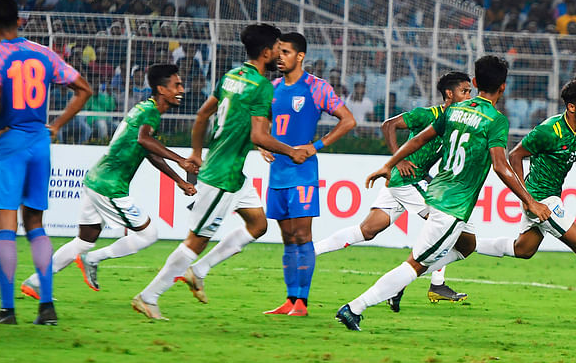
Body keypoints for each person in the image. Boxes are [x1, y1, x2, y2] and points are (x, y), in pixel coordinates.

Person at [336, 55, 551, 331]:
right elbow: (500, 165)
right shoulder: (495, 120)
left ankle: (403, 280)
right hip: (451, 206)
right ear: (503, 88)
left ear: (474, 82)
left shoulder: (454, 111)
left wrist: (388, 164)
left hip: (436, 191)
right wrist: (530, 201)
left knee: (468, 244)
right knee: (415, 265)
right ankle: (355, 307)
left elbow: (418, 139)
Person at [132, 24, 311, 320]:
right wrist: (292, 151)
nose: (281, 53)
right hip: (222, 175)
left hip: (231, 172)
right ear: (266, 52)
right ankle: (148, 296)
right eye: (278, 48)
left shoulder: (232, 76)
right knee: (196, 241)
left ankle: (199, 271)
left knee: (258, 225)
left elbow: (203, 114)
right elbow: (258, 136)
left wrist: (197, 152)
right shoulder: (262, 87)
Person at [19, 64, 198, 300]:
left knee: (84, 240)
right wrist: (181, 160)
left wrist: (178, 179)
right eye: (176, 85)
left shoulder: (144, 108)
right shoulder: (150, 112)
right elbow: (145, 141)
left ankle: (35, 282)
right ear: (161, 89)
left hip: (96, 180)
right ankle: (94, 259)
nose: (181, 89)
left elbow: (147, 149)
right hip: (109, 187)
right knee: (148, 235)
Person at [475, 76, 576, 315]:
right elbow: (515, 155)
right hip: (542, 199)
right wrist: (527, 200)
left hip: (549, 197)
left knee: (524, 250)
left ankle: (467, 243)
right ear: (571, 107)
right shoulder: (549, 131)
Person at [315, 71, 473, 311]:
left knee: (367, 230)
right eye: (465, 91)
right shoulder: (427, 115)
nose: (469, 96)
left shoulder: (455, 123)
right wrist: (397, 160)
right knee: (446, 223)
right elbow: (388, 125)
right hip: (405, 181)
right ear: (449, 94)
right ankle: (430, 283)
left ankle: (309, 252)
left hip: (408, 181)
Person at [0, 0, 92, 325]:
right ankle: (46, 307)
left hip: (8, 141)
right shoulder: (43, 53)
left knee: (6, 226)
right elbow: (84, 88)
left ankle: (7, 310)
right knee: (35, 223)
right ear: (19, 21)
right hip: (39, 143)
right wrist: (55, 125)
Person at [262, 32, 356, 317]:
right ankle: (290, 300)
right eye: (278, 52)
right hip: (277, 173)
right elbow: (260, 123)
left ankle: (302, 302)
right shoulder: (272, 88)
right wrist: (260, 143)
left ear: (300, 56)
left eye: (286, 52)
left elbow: (348, 120)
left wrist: (316, 146)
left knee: (302, 235)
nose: (280, 57)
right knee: (287, 237)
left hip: (302, 173)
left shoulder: (316, 87)